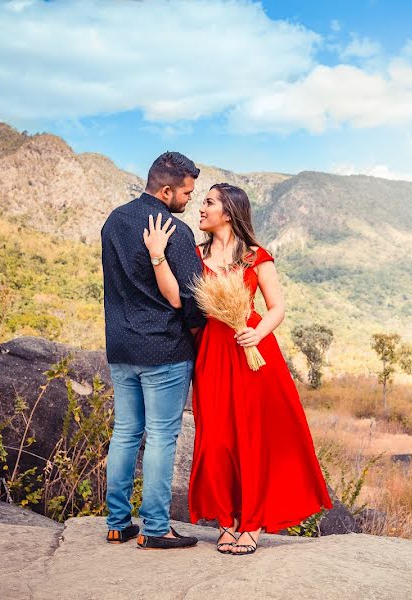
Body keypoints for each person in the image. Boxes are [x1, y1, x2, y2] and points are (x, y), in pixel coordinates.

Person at [143, 182, 332, 555]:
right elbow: (181, 303)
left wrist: (255, 333)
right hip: (212, 352)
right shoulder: (194, 256)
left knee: (252, 435)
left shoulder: (255, 256)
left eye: (209, 203)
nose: (201, 208)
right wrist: (158, 256)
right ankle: (226, 521)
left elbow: (277, 307)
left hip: (253, 353)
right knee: (216, 438)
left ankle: (253, 522)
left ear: (227, 212)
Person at [101, 151, 205, 550]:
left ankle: (117, 523)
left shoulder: (114, 221)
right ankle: (157, 527)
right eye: (186, 193)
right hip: (163, 349)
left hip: (121, 347)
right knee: (162, 437)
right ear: (166, 190)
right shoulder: (173, 232)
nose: (189, 201)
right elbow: (194, 298)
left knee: (126, 432)